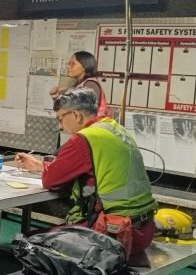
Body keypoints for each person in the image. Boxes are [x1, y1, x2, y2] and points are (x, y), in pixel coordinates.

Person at [17, 88, 158, 256]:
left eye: (61, 118)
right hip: (144, 227)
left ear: (76, 115)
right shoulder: (114, 129)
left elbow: (51, 181)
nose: (60, 125)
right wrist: (40, 165)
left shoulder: (84, 138)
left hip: (115, 233)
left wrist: (44, 169)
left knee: (26, 242)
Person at [49, 51, 107, 116]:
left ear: (85, 66)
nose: (68, 67)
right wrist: (56, 96)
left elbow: (85, 111)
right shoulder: (79, 85)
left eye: (73, 64)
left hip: (94, 125)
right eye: (68, 63)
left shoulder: (90, 84)